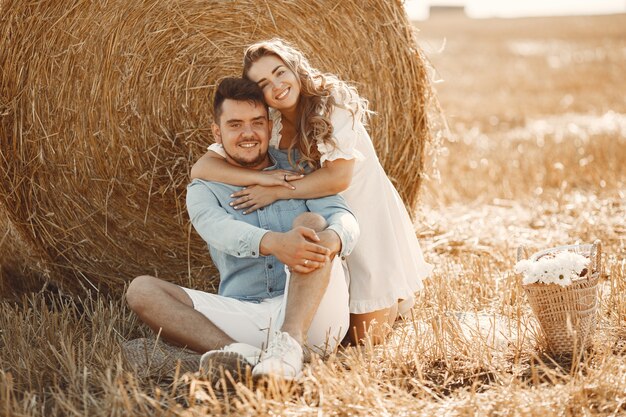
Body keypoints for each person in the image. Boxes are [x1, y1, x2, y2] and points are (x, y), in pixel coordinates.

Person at [190, 38, 433, 343]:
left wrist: (278, 192)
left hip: (361, 212)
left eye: (280, 72)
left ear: (294, 66)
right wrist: (267, 179)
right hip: (316, 211)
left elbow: (337, 179)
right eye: (264, 83)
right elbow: (201, 169)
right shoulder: (272, 121)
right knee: (329, 327)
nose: (277, 85)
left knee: (362, 339)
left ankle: (390, 306)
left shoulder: (332, 100)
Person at [125, 77, 359, 381]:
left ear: (270, 126)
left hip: (314, 316)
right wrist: (273, 242)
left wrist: (332, 239)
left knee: (312, 224)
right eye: (235, 125)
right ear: (216, 132)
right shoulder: (204, 189)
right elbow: (219, 229)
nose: (248, 133)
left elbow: (344, 216)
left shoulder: (299, 166)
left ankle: (289, 343)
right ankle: (239, 354)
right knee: (142, 290)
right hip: (246, 315)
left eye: (257, 122)